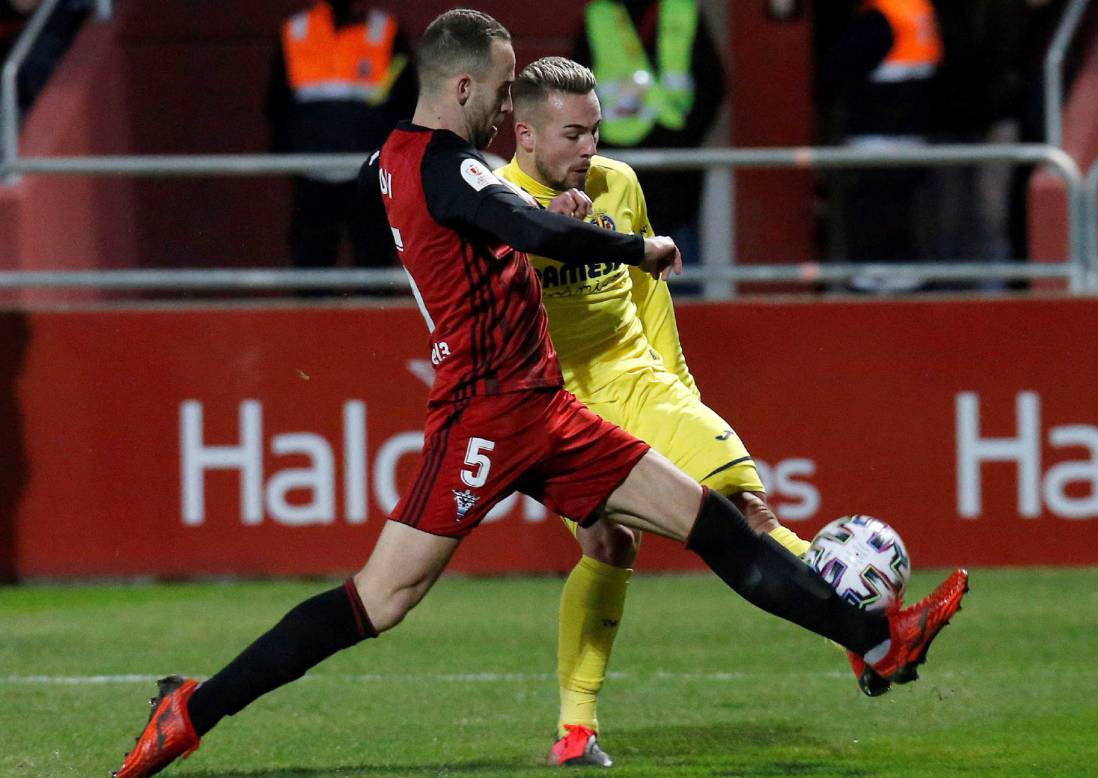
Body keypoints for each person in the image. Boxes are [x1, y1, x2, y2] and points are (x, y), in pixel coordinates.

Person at [111, 10, 968, 777]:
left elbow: (465, 199)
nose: (503, 112)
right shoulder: (447, 169)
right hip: (485, 415)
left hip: (548, 409)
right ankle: (190, 710)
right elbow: (522, 224)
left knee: (711, 522)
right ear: (460, 86)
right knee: (381, 599)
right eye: (494, 90)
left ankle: (876, 641)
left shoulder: (402, 156)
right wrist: (634, 250)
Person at [491, 55, 824, 767]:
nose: (590, 150)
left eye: (595, 132)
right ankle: (576, 729)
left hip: (640, 379)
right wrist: (541, 231)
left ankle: (870, 624)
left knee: (751, 504)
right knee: (608, 548)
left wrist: (679, 389)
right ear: (524, 135)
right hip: (566, 403)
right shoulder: (494, 203)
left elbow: (648, 295)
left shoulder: (620, 184)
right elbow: (491, 311)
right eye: (572, 135)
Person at [265, 0, 418, 283]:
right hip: (311, 176)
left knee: (374, 270)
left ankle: (374, 328)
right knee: (310, 272)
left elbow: (406, 102)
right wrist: (289, 159)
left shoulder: (386, 31)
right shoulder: (296, 31)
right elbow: (277, 105)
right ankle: (307, 327)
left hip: (368, 175)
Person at [571, 0, 724, 271]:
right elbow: (575, 90)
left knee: (680, 267)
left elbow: (713, 83)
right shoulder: (598, 16)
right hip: (616, 164)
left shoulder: (683, 10)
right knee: (621, 264)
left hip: (676, 171)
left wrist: (686, 138)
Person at [819, 0, 943, 293]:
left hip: (877, 135)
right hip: (912, 134)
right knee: (901, 218)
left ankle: (877, 285)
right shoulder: (917, 11)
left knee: (875, 217)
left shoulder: (882, 17)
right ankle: (901, 281)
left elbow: (837, 68)